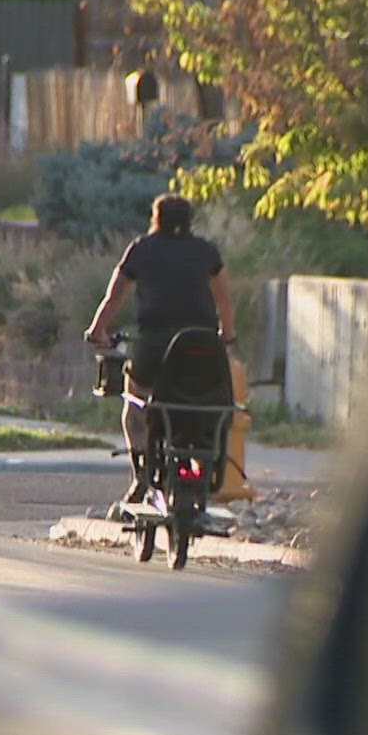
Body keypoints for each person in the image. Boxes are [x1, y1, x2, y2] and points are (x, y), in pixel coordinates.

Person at [85, 193, 235, 506]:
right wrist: (227, 334)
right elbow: (224, 299)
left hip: (155, 348)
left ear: (157, 218)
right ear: (189, 220)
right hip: (201, 348)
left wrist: (97, 331)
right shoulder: (206, 251)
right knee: (208, 398)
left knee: (135, 400)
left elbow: (113, 298)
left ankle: (141, 471)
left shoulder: (141, 250)